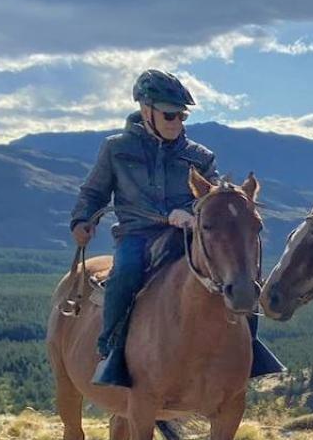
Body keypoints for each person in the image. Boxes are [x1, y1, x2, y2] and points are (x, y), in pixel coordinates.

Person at [69, 69, 284, 387]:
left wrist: (190, 214)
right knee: (125, 273)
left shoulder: (199, 156)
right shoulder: (116, 149)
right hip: (137, 234)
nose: (177, 123)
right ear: (146, 110)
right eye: (170, 116)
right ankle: (111, 352)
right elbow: (94, 192)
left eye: (181, 116)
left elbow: (213, 198)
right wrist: (81, 219)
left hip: (186, 235)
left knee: (241, 276)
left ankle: (250, 348)